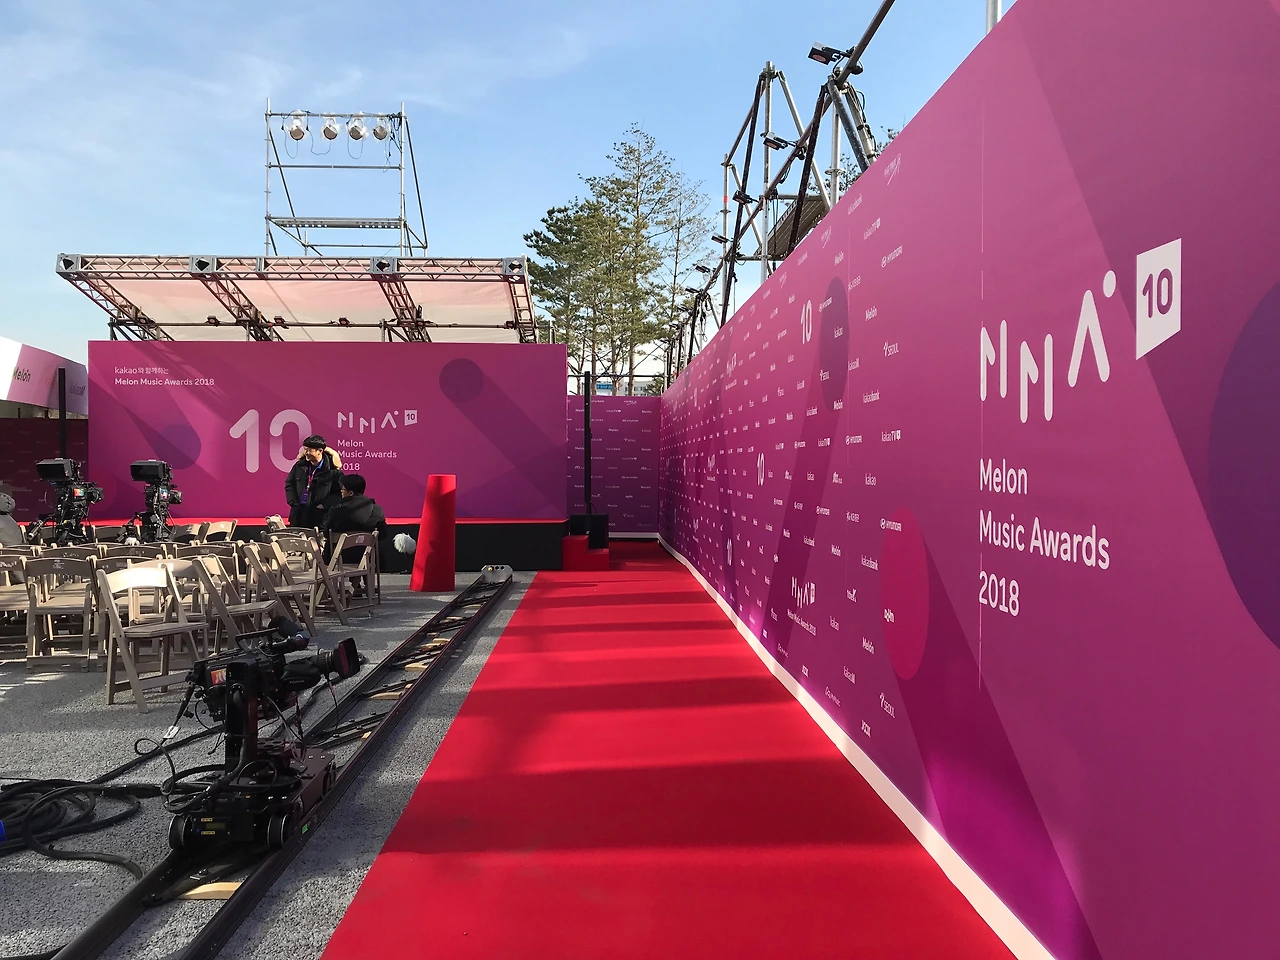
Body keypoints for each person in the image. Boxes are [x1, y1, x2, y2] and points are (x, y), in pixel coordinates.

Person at [321, 474, 387, 565]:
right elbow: (383, 534)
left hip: (338, 560)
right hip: (368, 560)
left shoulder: (336, 510)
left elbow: (326, 533)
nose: (341, 491)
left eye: (343, 489)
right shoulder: (377, 510)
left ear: (351, 493)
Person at [284, 436, 343, 528]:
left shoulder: (333, 471)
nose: (306, 453)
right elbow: (289, 484)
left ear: (320, 451)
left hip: (320, 518)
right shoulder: (299, 466)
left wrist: (324, 505)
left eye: (309, 450)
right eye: (305, 450)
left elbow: (339, 493)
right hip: (298, 515)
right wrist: (293, 502)